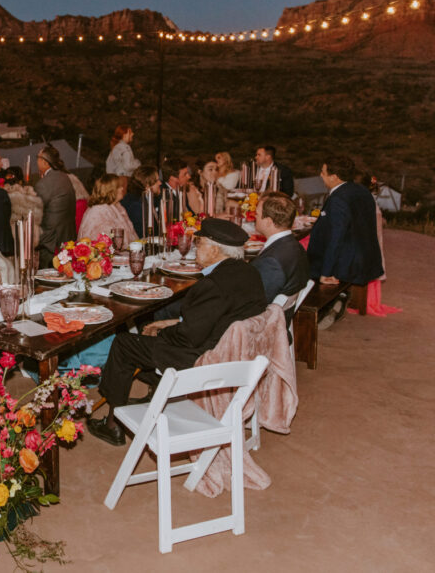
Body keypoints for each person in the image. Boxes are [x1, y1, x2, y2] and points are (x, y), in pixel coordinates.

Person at [89, 218, 266, 446]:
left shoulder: (213, 284)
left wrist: (161, 334)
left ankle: (112, 425)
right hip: (229, 350)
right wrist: (169, 324)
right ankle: (154, 395)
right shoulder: (248, 272)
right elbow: (211, 318)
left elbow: (188, 337)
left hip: (202, 357)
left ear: (214, 248)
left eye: (199, 243)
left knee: (125, 343)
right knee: (148, 331)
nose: (195, 248)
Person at [306, 155, 384, 287]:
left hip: (345, 265)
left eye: (323, 172)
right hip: (365, 261)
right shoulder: (362, 190)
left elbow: (336, 237)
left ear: (334, 177)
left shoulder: (338, 199)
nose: (320, 175)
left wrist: (326, 272)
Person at [251, 192, 310, 325]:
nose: (254, 217)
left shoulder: (271, 262)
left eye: (257, 215)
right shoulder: (296, 246)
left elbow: (255, 303)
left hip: (265, 324)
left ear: (268, 222)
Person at [33, 145, 77, 268]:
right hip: (67, 237)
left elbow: (35, 212)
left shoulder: (44, 184)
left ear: (44, 162)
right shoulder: (65, 177)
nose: (36, 161)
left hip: (51, 242)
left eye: (37, 158)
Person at [79, 174, 138, 243]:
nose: (122, 188)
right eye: (119, 187)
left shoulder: (118, 206)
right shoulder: (98, 211)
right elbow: (101, 242)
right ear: (111, 190)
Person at [0, 166, 43, 255]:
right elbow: (38, 217)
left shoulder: (3, 196)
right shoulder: (31, 196)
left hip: (11, 238)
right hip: (30, 234)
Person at [120, 165, 161, 238]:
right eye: (157, 181)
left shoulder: (149, 198)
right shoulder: (136, 205)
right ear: (147, 185)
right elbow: (142, 235)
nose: (160, 183)